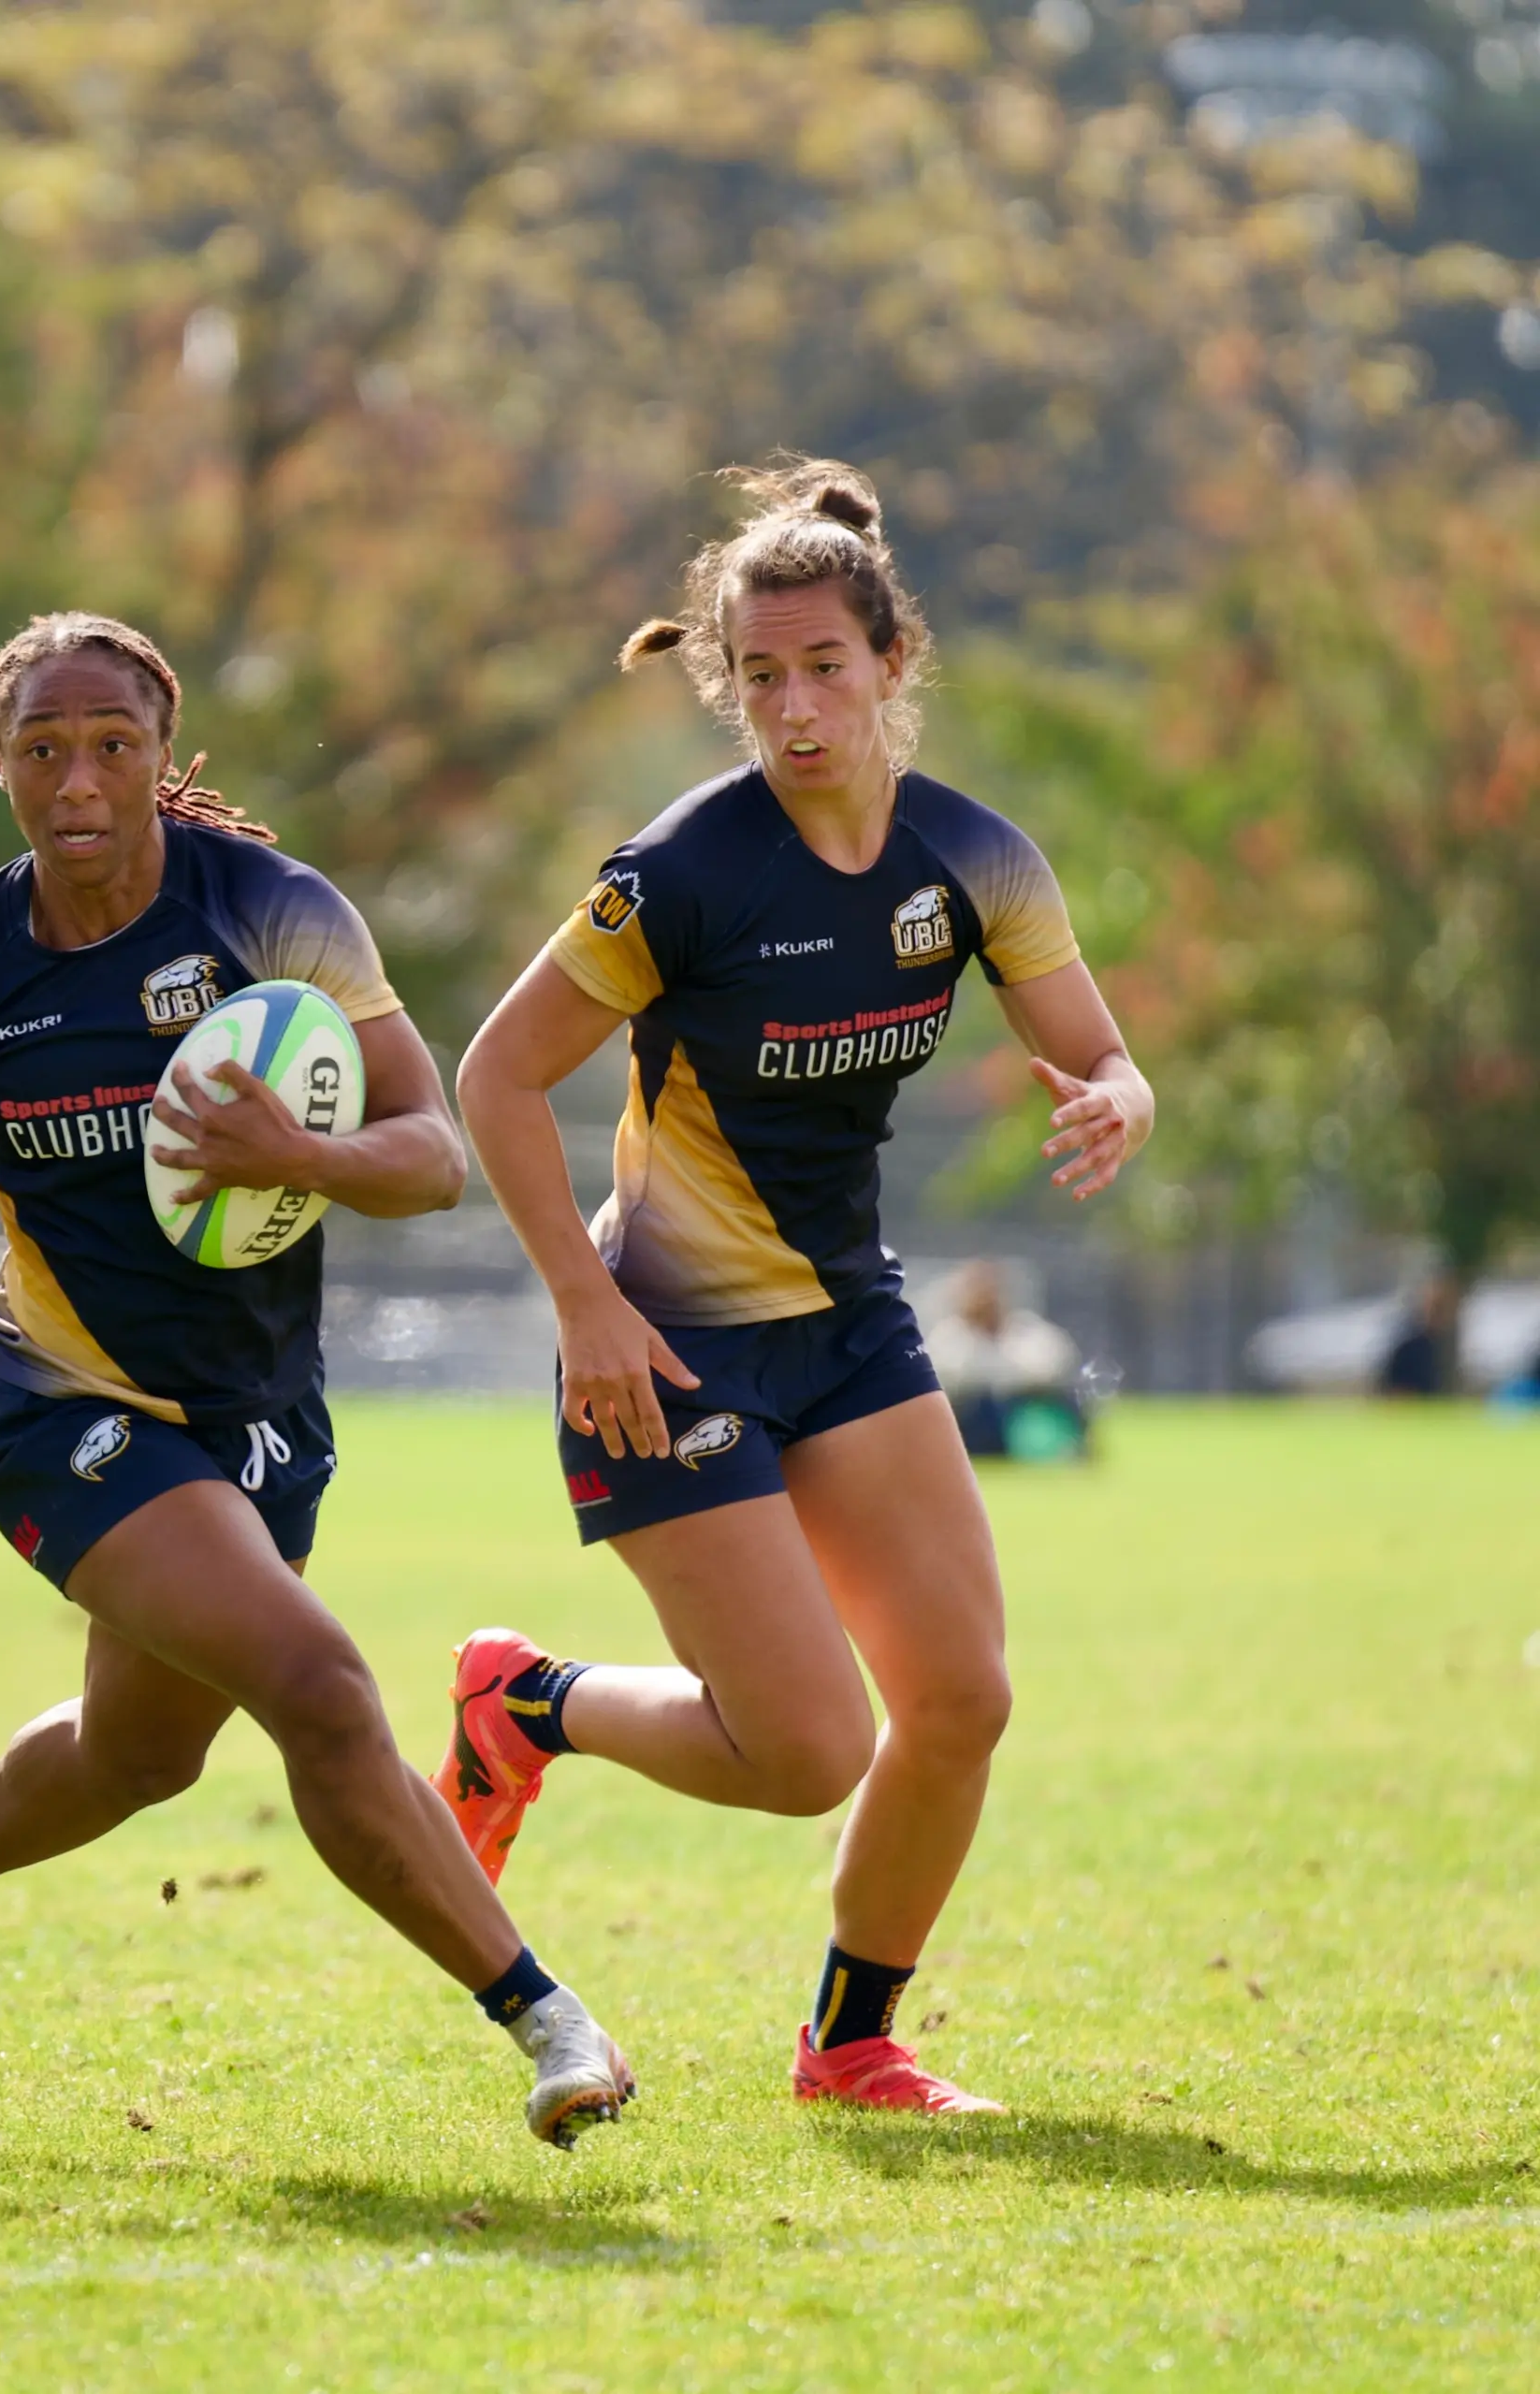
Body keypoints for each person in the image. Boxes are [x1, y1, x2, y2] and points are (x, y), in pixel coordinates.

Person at [0, 612, 639, 2148]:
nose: (77, 777)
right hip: (67, 1411)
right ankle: (548, 2017)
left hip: (262, 1419)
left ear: (157, 754)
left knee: (141, 1754)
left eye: (110, 744)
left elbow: (431, 1155)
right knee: (323, 1689)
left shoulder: (270, 911)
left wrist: (301, 1156)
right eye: (41, 748)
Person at [444, 461, 1155, 2114]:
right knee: (809, 1747)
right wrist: (585, 1306)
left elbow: (1099, 1051)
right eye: (757, 677)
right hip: (665, 1345)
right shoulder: (684, 870)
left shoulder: (976, 861)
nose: (794, 706)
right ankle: (527, 1702)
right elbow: (494, 1077)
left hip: (846, 1329)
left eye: (824, 665)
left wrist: (1120, 1095)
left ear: (894, 661)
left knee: (963, 1696)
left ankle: (851, 2044)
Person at [922, 1260, 1085, 1459]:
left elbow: (1054, 1363)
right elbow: (950, 1377)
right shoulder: (950, 1335)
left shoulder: (1025, 1328)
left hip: (1022, 1407)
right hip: (977, 1416)